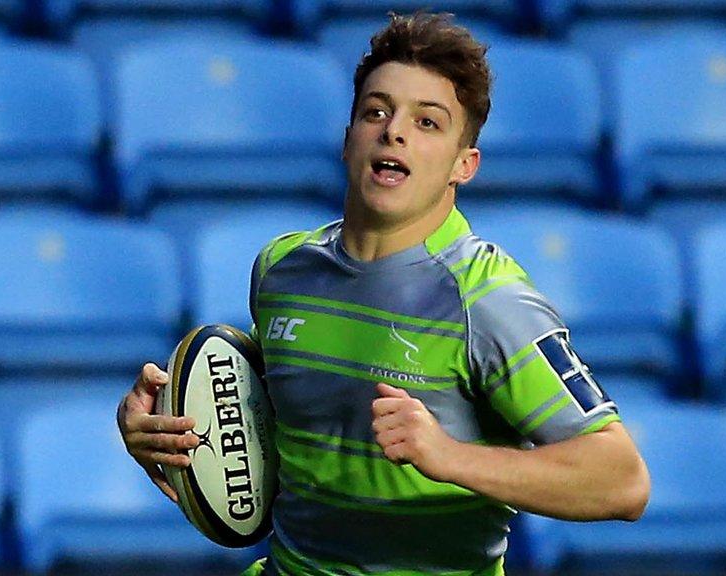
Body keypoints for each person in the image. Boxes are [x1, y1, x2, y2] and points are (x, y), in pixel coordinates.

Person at [118, 12, 650, 576]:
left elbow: (622, 480)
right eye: (377, 111)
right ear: (349, 141)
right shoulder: (281, 269)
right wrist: (168, 430)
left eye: (428, 123)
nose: (394, 130)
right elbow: (280, 441)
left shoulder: (488, 298)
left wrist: (449, 458)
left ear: (462, 166)